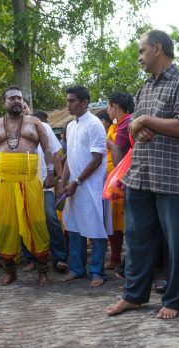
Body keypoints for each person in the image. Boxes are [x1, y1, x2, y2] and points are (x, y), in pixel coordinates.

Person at [106, 29, 179, 319]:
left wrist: (146, 120)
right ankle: (134, 296)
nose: (139, 57)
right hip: (140, 175)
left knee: (174, 244)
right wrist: (139, 123)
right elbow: (134, 123)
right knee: (136, 241)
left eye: (141, 51)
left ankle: (172, 300)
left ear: (158, 49)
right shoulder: (144, 86)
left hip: (171, 177)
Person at [0, 85, 55, 287]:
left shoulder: (34, 122)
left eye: (19, 98)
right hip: (2, 183)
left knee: (37, 226)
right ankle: (10, 272)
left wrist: (51, 174)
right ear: (3, 103)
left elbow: (48, 150)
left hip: (30, 181)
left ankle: (42, 273)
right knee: (5, 228)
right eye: (12, 98)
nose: (16, 101)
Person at [58, 85, 112, 287]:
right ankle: (78, 269)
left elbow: (97, 159)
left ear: (84, 102)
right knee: (74, 227)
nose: (68, 104)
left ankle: (97, 271)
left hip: (92, 186)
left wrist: (77, 182)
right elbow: (70, 159)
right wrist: (63, 183)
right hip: (74, 185)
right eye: (67, 100)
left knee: (96, 227)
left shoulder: (95, 124)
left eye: (72, 101)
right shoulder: (71, 126)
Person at [21, 109, 68, 273]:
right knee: (26, 220)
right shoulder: (10, 130)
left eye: (25, 106)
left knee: (50, 216)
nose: (23, 110)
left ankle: (60, 257)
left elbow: (56, 154)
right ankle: (31, 258)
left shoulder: (44, 127)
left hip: (43, 181)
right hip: (20, 183)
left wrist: (60, 179)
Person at [103, 92, 134, 271]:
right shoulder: (114, 125)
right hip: (113, 178)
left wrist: (118, 179)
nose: (107, 111)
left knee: (128, 222)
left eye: (108, 107)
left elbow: (117, 149)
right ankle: (115, 258)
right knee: (113, 221)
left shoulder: (127, 121)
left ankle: (128, 263)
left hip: (121, 177)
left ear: (115, 106)